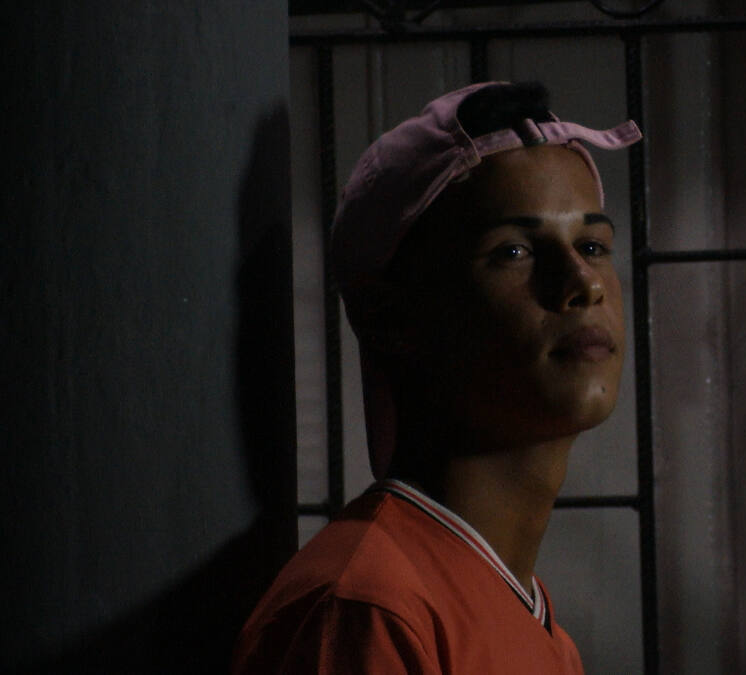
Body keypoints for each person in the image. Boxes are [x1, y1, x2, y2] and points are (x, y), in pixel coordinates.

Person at [231, 81, 642, 673]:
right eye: (514, 252)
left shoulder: (536, 625)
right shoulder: (369, 609)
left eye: (593, 245)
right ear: (389, 317)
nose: (584, 282)